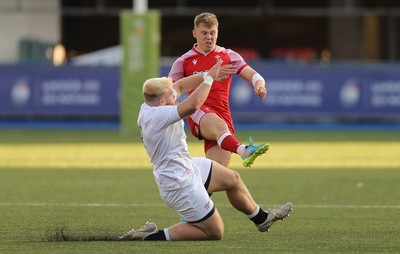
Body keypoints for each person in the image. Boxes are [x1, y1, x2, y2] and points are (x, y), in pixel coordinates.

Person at [119, 59, 292, 241]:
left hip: (186, 166)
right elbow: (193, 104)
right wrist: (209, 80)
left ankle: (262, 219)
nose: (176, 95)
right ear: (163, 101)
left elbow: (180, 85)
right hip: (177, 182)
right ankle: (151, 236)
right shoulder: (159, 115)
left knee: (232, 179)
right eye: (172, 95)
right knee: (215, 232)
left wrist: (209, 74)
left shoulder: (150, 105)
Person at [168, 12, 268, 168]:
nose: (209, 37)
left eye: (212, 33)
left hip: (223, 115)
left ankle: (201, 191)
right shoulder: (183, 61)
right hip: (198, 110)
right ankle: (244, 150)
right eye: (204, 33)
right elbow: (170, 90)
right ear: (195, 34)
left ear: (217, 33)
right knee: (219, 126)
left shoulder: (228, 55)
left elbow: (253, 74)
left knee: (216, 177)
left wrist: (259, 84)